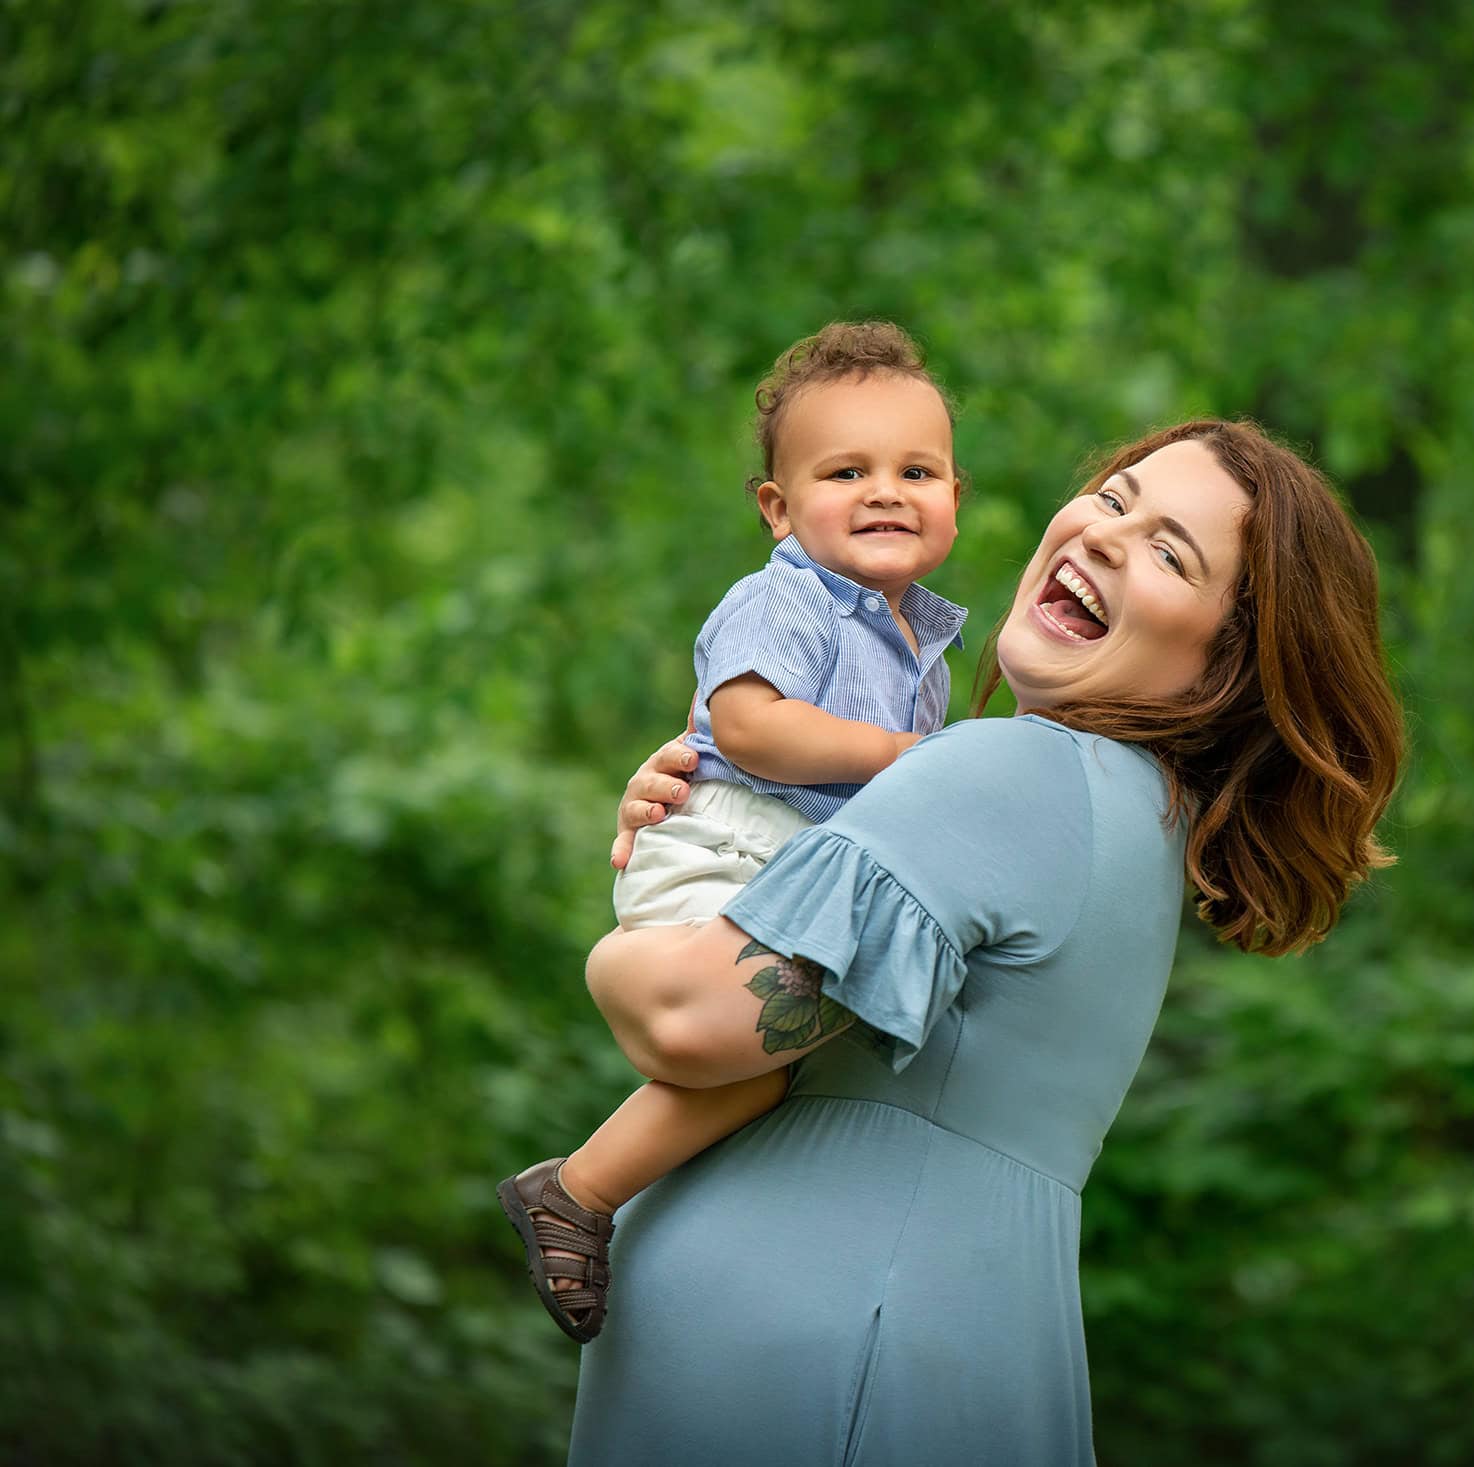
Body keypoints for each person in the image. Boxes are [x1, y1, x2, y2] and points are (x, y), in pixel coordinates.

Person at [570, 419, 1403, 1465]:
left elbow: (689, 1018)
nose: (1105, 535)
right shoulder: (1129, 818)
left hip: (826, 1382)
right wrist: (722, 825)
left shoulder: (1010, 771)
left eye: (1166, 551)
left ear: (1219, 673)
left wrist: (631, 919)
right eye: (1112, 499)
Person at [497, 322, 967, 1342]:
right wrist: (899, 759)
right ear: (778, 508)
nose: (886, 490)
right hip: (726, 848)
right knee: (763, 1047)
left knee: (761, 1082)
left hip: (778, 869)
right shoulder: (785, 600)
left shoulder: (915, 644)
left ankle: (584, 1192)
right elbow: (748, 726)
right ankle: (575, 1191)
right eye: (846, 470)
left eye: (915, 470)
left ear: (952, 501)